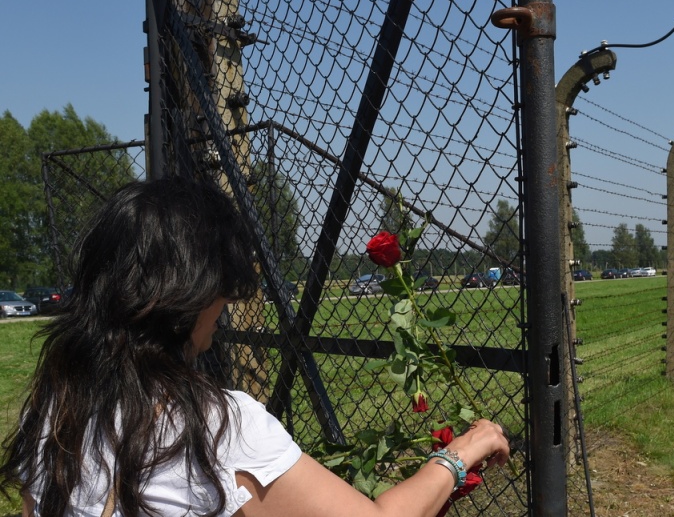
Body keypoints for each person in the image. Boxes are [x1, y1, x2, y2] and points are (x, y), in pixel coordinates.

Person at [0, 178, 509, 516]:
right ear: (191, 293)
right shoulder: (218, 424)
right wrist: (460, 453)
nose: (224, 307)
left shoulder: (53, 407)